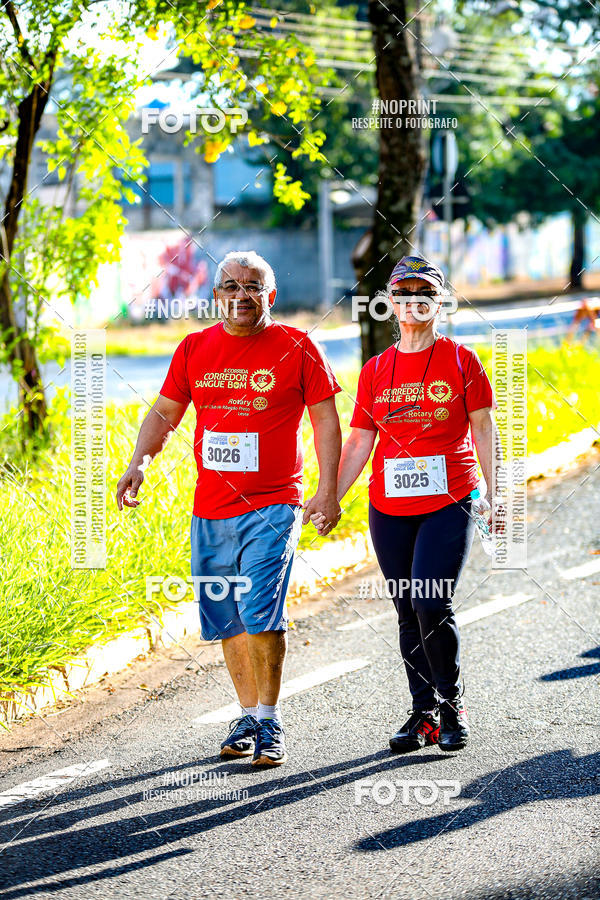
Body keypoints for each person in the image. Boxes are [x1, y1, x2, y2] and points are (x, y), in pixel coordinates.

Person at [117, 251, 341, 767]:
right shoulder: (195, 348)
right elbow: (165, 413)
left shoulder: (298, 347)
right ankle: (246, 712)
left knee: (261, 610)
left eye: (253, 286)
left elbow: (326, 422)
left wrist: (327, 490)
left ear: (271, 295)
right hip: (211, 507)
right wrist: (140, 462)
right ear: (217, 294)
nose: (242, 295)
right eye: (231, 286)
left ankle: (268, 719)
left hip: (274, 503)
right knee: (227, 615)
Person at [313, 255, 499, 753]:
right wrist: (329, 495)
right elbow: (359, 443)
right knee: (405, 608)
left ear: (439, 302)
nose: (414, 300)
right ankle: (423, 713)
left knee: (431, 599)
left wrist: (497, 491)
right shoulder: (376, 369)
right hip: (389, 507)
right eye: (404, 292)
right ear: (390, 302)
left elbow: (483, 428)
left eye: (425, 293)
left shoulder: (462, 360)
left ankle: (451, 704)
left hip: (449, 499)